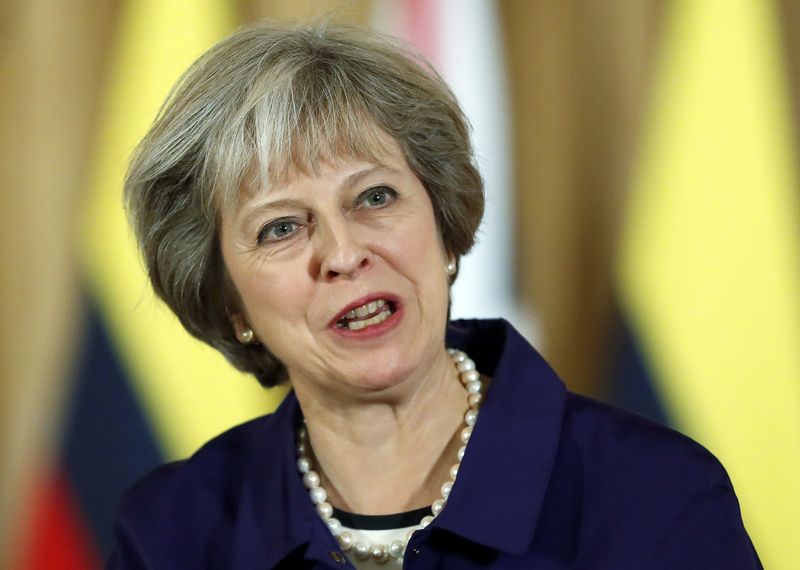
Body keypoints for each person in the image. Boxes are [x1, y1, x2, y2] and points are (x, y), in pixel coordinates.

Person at [108, 20, 761, 570]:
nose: (342, 253)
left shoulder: (654, 496)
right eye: (282, 227)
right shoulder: (171, 533)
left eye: (374, 197)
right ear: (229, 303)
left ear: (444, 230)